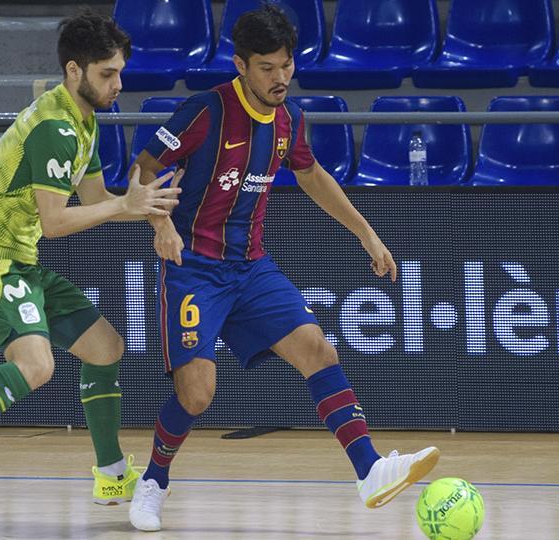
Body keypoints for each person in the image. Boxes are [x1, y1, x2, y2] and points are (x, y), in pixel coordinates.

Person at [127, 5, 440, 531]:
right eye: (267, 68)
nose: (279, 78)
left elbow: (312, 174)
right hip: (194, 268)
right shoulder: (206, 112)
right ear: (241, 65)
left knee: (317, 347)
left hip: (250, 267)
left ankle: (370, 471)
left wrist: (366, 233)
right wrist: (161, 224)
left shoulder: (289, 120)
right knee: (197, 393)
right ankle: (154, 481)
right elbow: (144, 166)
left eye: (286, 65)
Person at [0, 12, 181, 509]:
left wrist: (149, 212)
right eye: (107, 74)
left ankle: (113, 474)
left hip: (19, 259)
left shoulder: (84, 121)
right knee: (36, 365)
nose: (119, 83)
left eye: (119, 71)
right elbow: (56, 221)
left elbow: (97, 199)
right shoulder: (54, 128)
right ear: (75, 71)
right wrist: (122, 206)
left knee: (106, 347)